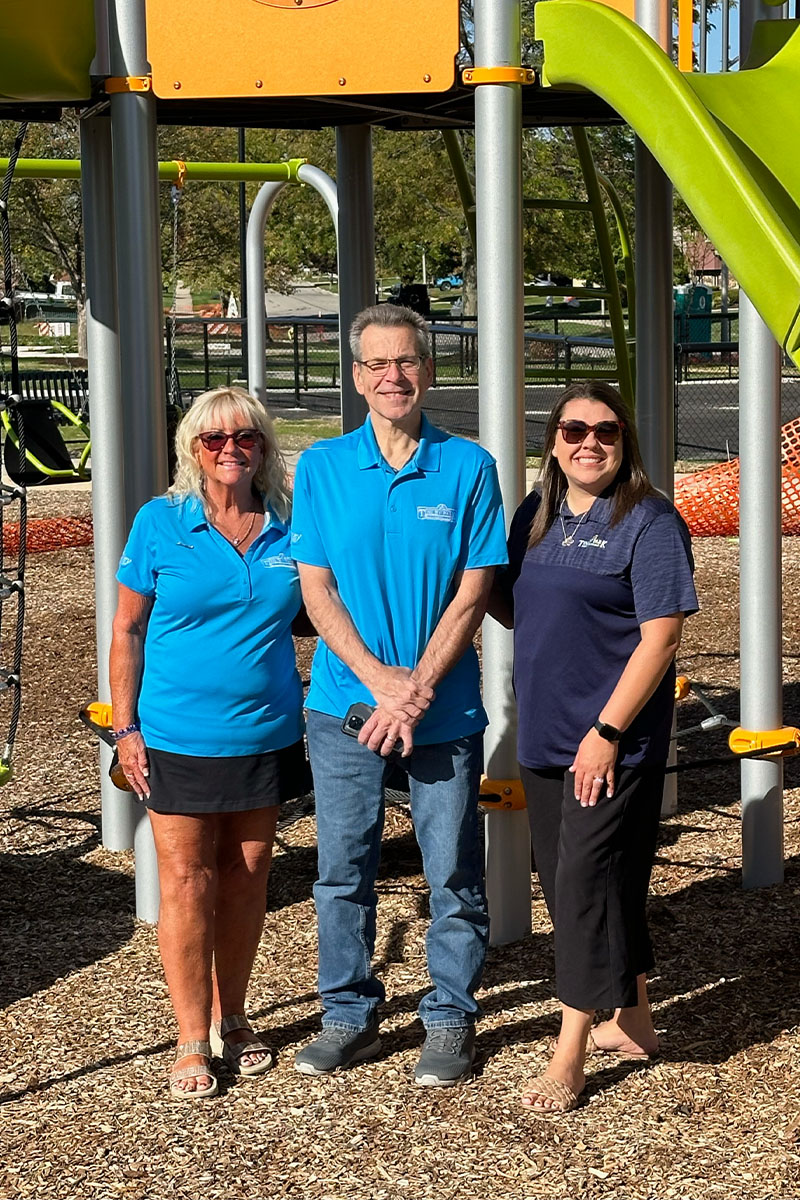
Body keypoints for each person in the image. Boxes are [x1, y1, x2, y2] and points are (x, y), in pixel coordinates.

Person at [290, 304, 507, 1086]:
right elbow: (317, 591)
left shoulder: (469, 468)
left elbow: (473, 592)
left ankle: (449, 1017)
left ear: (429, 369)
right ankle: (347, 1013)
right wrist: (381, 683)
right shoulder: (320, 467)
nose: (393, 377)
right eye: (377, 365)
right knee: (342, 867)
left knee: (451, 869)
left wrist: (413, 690)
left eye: (406, 361)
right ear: (356, 378)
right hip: (344, 708)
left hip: (440, 710)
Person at [490, 380, 698, 1114]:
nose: (589, 442)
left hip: (610, 743)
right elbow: (511, 601)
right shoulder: (534, 516)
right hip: (545, 735)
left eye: (605, 431)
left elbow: (662, 636)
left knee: (581, 887)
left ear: (624, 441)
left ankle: (569, 1052)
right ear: (553, 441)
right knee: (583, 880)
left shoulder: (649, 521)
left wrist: (606, 733)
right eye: (574, 429)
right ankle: (634, 1020)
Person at [110, 386, 307, 1100]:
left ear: (264, 446)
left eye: (245, 437)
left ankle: (237, 1015)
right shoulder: (161, 523)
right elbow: (128, 630)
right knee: (187, 882)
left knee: (248, 873)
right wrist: (124, 728)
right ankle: (192, 1037)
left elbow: (334, 600)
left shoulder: (291, 523)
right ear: (192, 448)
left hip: (267, 733)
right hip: (175, 735)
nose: (231, 450)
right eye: (214, 439)